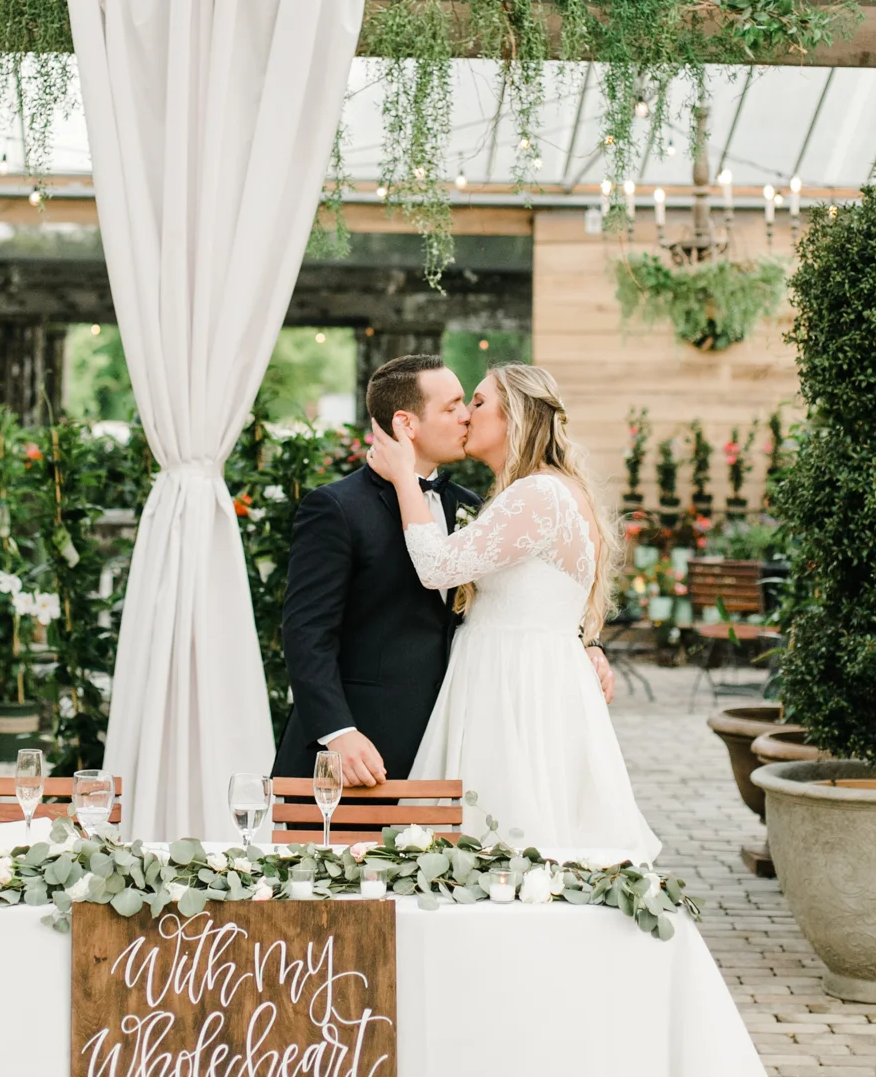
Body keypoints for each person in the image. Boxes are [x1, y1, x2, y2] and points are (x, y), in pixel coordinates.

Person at [273, 354, 614, 788]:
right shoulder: (337, 508)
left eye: (469, 404)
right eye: (452, 407)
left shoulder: (476, 507)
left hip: (461, 739)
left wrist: (588, 642)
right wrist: (338, 732)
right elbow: (306, 634)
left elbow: (546, 577)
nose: (466, 417)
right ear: (406, 424)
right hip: (359, 747)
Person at [368, 362, 659, 865]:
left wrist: (402, 477)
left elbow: (436, 566)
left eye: (477, 403)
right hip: (530, 675)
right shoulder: (545, 490)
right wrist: (589, 644)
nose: (464, 415)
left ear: (515, 415)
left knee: (505, 840)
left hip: (512, 688)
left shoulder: (538, 494)